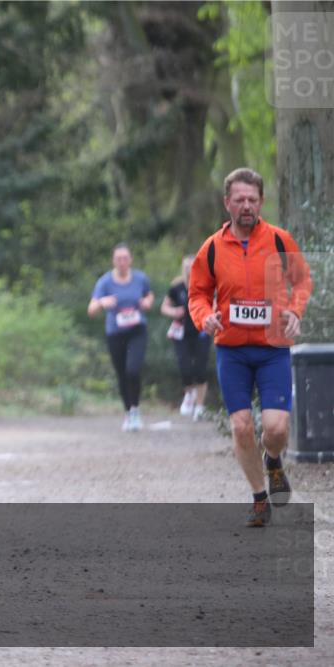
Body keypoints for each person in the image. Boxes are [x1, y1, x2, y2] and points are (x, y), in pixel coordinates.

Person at [189, 167, 312, 527]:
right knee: (242, 426)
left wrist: (294, 310)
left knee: (275, 429)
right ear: (227, 202)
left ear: (261, 202)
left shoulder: (278, 241)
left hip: (272, 347)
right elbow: (197, 293)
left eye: (253, 200)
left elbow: (302, 281)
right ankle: (260, 497)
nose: (246, 206)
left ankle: (273, 460)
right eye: (240, 199)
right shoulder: (212, 248)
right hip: (232, 351)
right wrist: (204, 317)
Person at [88, 244, 154, 431]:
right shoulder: (105, 282)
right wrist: (102, 302)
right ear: (113, 261)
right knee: (122, 374)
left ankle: (136, 410)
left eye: (125, 258)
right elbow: (91, 309)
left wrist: (146, 302)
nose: (122, 262)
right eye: (118, 259)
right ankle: (128, 412)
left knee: (133, 370)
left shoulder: (140, 278)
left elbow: (149, 296)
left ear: (130, 260)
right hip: (115, 333)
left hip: (137, 331)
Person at [161, 255, 212, 420]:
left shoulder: (206, 284)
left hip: (202, 331)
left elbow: (216, 303)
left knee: (200, 369)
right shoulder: (176, 287)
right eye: (186, 267)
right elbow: (164, 307)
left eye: (192, 267)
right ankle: (189, 394)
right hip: (181, 332)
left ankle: (199, 406)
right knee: (185, 367)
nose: (189, 270)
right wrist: (173, 312)